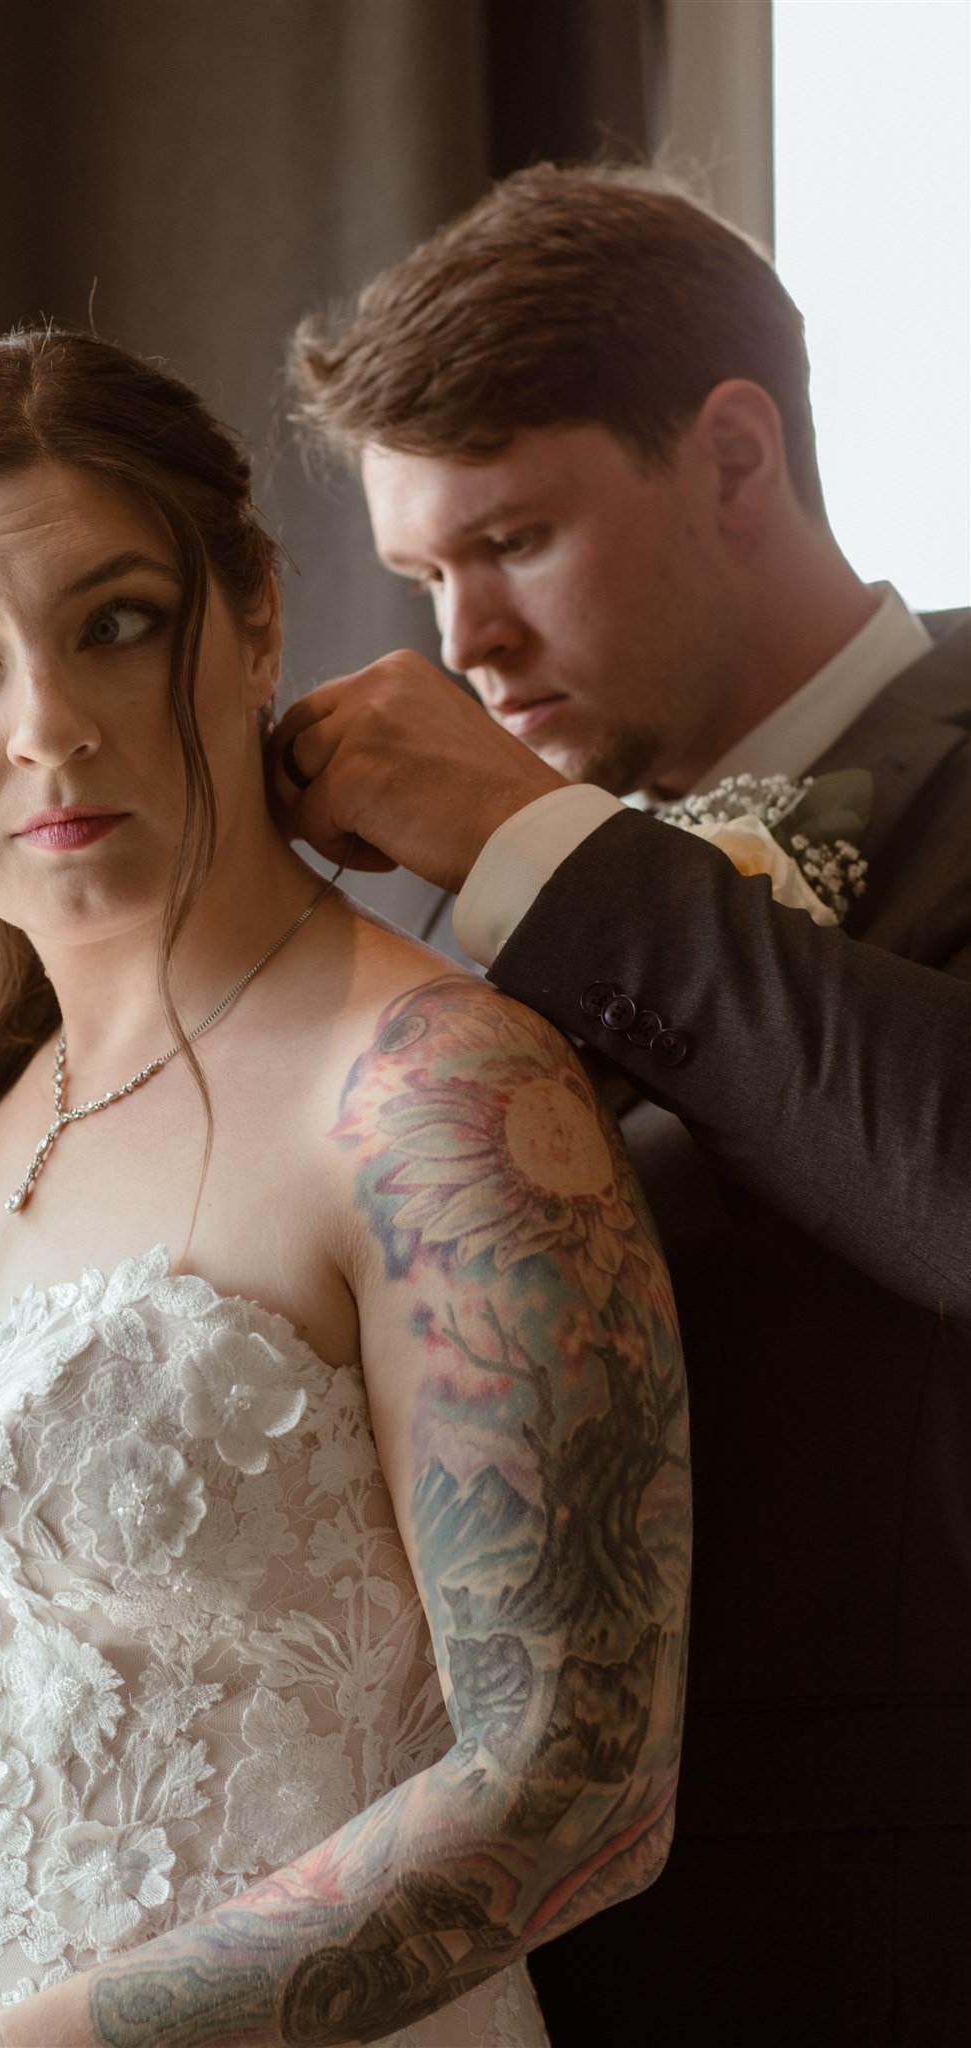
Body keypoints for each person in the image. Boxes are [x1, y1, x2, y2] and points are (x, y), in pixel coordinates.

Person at [0, 327, 688, 2048]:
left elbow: (578, 1782)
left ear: (253, 620)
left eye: (112, 624)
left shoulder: (429, 1098)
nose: (44, 727)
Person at [277, 164, 971, 2045]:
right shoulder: (462, 914)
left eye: (508, 540)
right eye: (425, 574)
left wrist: (533, 848)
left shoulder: (529, 858)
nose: (463, 642)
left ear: (733, 457)